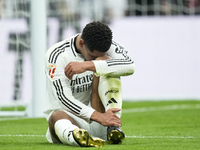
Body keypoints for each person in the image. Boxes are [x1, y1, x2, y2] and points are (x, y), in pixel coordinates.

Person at [44, 21, 135, 147]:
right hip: (71, 119)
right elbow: (64, 99)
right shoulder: (57, 55)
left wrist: (90, 65)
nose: (94, 58)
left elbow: (130, 65)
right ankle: (76, 135)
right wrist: (97, 116)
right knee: (56, 115)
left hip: (103, 118)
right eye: (92, 56)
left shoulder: (108, 46)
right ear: (82, 43)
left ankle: (113, 126)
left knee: (108, 64)